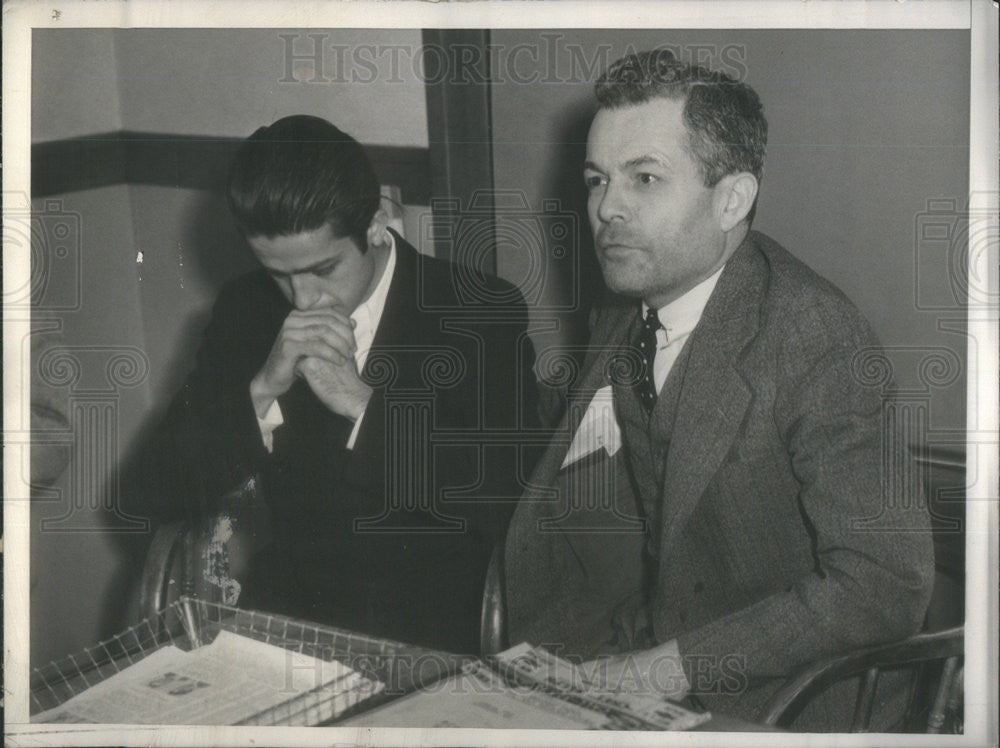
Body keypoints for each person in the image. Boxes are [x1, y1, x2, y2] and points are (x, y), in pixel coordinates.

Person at [504, 50, 935, 725]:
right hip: (641, 674)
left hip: (789, 702)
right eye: (596, 180)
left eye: (644, 178)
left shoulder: (814, 335)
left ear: (731, 198)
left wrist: (664, 666)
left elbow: (885, 584)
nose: (606, 208)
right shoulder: (621, 309)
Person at [128, 115, 538, 654]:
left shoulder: (478, 310)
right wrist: (260, 391)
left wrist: (363, 405)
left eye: (323, 268)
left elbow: (510, 502)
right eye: (278, 272)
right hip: (288, 625)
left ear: (376, 222)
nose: (301, 298)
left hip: (431, 632)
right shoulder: (245, 310)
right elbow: (149, 490)